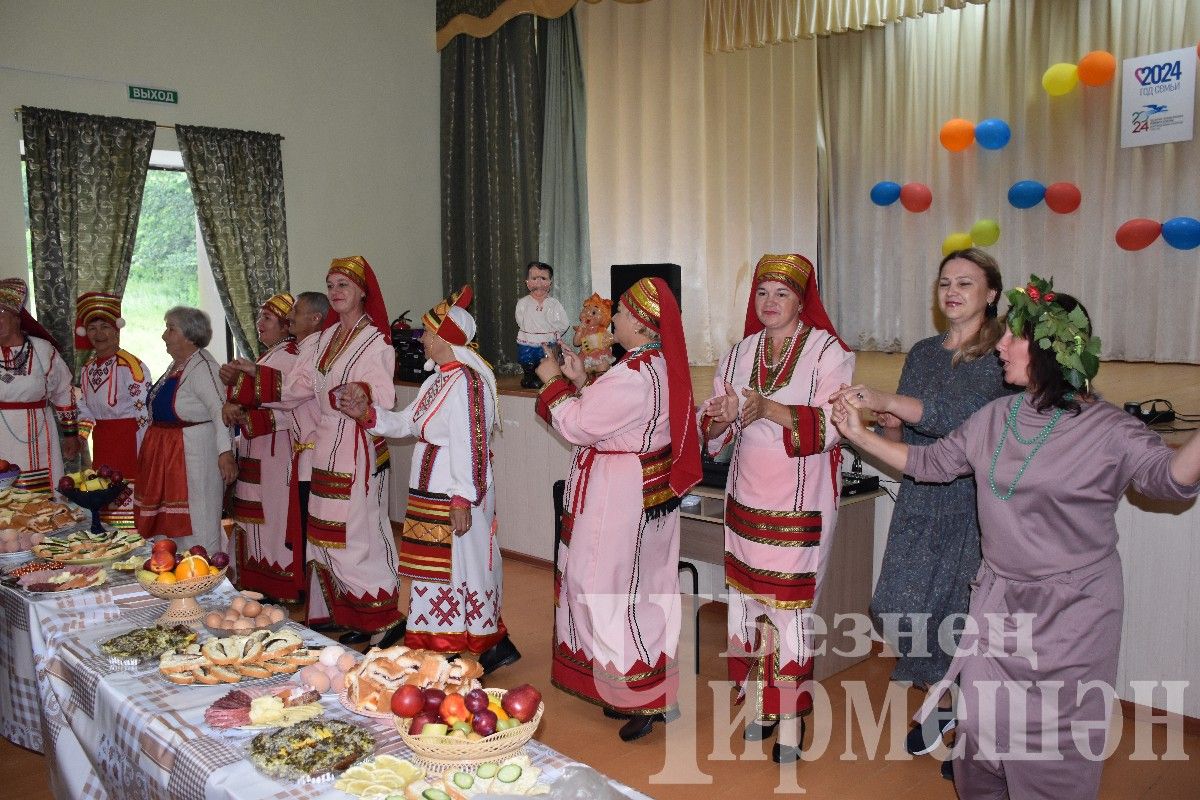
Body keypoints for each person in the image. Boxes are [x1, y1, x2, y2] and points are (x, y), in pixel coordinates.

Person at [831, 275, 1200, 799]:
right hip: (998, 603)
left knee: (1050, 751)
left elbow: (1170, 479)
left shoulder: (1109, 429)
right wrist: (858, 434)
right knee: (979, 743)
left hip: (1073, 615)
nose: (1000, 344)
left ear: (1050, 349)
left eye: (1014, 337)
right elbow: (932, 462)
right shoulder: (999, 415)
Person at [831, 249, 1009, 774]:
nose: (952, 291)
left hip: (972, 501)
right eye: (944, 282)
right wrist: (882, 420)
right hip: (921, 494)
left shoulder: (999, 352)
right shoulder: (924, 351)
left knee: (962, 618)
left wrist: (886, 395)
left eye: (965, 283)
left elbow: (956, 418)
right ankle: (948, 702)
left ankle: (969, 734)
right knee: (898, 605)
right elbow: (907, 434)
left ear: (991, 294)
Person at [699, 253, 855, 763]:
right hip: (744, 498)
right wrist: (719, 418)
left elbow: (838, 425)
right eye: (762, 292)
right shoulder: (740, 352)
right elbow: (715, 431)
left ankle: (791, 716)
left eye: (781, 294)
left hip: (799, 501)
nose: (770, 303)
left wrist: (768, 407)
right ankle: (760, 706)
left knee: (788, 611)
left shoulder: (829, 353)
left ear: (801, 299)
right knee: (746, 601)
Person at [535, 276, 701, 742]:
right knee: (644, 588)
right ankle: (642, 687)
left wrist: (552, 384)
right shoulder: (655, 366)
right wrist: (580, 380)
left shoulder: (633, 375)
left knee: (601, 586)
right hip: (644, 488)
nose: (615, 319)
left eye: (624, 313)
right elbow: (614, 415)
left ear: (644, 325)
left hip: (617, 491)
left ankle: (638, 692)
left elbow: (579, 425)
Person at [338, 285, 518, 673]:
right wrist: (367, 413)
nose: (422, 339)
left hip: (454, 489)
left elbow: (471, 443)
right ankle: (455, 640)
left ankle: (472, 643)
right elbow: (407, 422)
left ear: (448, 338)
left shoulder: (468, 383)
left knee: (461, 566)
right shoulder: (438, 379)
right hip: (431, 487)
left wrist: (461, 498)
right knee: (437, 567)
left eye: (429, 333)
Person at [234, 256, 402, 648]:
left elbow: (386, 396)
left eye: (343, 285)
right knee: (327, 537)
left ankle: (385, 616)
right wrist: (252, 376)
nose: (336, 292)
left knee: (357, 533)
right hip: (325, 443)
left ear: (362, 291)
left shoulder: (375, 340)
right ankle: (353, 614)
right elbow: (297, 387)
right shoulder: (324, 340)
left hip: (358, 443)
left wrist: (361, 393)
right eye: (331, 285)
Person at [134, 307, 236, 556]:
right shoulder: (177, 366)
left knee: (199, 522)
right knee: (170, 527)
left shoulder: (203, 368)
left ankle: (206, 578)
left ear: (190, 335)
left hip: (195, 456)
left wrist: (225, 453)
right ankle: (174, 578)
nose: (164, 336)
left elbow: (220, 411)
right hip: (170, 457)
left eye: (171, 329)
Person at [223, 293, 304, 601]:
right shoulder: (266, 358)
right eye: (259, 316)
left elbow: (295, 407)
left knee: (273, 514)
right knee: (254, 513)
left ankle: (280, 583)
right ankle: (257, 580)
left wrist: (244, 415)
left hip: (277, 450)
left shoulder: (290, 359)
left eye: (266, 318)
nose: (259, 323)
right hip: (257, 448)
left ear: (286, 326)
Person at [75, 291, 152, 528]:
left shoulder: (133, 367)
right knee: (105, 503)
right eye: (92, 328)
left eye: (104, 327)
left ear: (117, 330)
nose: (98, 334)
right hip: (104, 443)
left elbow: (144, 414)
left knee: (130, 508)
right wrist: (81, 436)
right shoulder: (87, 369)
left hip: (131, 441)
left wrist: (145, 453)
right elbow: (86, 411)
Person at [0, 278, 79, 493]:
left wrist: (71, 434)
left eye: (0, 313)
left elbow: (63, 393)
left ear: (17, 318)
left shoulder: (43, 350)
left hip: (37, 435)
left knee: (40, 494)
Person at [515, 261, 570, 389]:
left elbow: (563, 322)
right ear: (527, 283)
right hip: (527, 340)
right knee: (527, 359)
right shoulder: (523, 303)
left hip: (547, 341)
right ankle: (529, 377)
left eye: (543, 278)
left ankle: (544, 379)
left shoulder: (554, 304)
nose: (538, 283)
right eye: (534, 278)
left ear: (549, 283)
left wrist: (553, 334)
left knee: (546, 360)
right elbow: (520, 319)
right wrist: (530, 330)